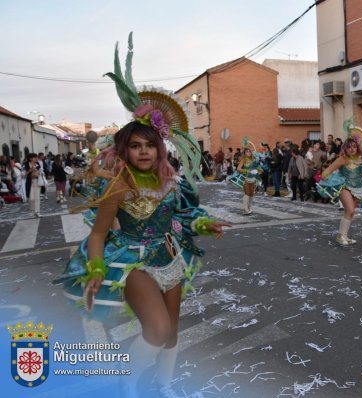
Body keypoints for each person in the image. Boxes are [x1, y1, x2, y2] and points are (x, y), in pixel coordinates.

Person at [53, 33, 231, 398]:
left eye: (150, 144)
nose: (144, 151)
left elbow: (184, 215)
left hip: (172, 261)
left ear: (160, 147)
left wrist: (202, 223)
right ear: (126, 150)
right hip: (135, 264)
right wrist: (97, 269)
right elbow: (100, 234)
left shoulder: (171, 182)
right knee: (157, 331)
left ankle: (164, 386)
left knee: (172, 335)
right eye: (136, 146)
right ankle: (129, 382)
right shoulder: (118, 186)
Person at [319, 137, 362, 246]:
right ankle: (340, 236)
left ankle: (343, 235)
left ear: (357, 147)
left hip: (357, 188)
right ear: (345, 148)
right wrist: (324, 177)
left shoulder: (361, 159)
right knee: (350, 210)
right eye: (348, 147)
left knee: (349, 213)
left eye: (354, 146)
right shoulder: (342, 159)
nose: (351, 149)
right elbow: (329, 170)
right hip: (344, 186)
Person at [237, 147, 261, 214]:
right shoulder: (243, 159)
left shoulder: (253, 160)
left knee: (251, 194)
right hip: (246, 178)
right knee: (247, 193)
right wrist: (246, 171)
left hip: (253, 179)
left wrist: (259, 170)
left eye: (249, 151)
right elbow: (238, 169)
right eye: (247, 151)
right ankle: (245, 209)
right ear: (244, 153)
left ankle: (249, 207)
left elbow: (258, 168)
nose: (248, 152)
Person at [23, 153, 42, 217]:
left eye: (36, 157)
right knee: (31, 198)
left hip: (37, 181)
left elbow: (41, 172)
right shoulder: (26, 165)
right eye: (35, 157)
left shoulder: (38, 164)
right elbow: (23, 174)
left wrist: (38, 172)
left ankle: (37, 212)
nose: (36, 158)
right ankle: (32, 210)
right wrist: (30, 170)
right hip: (30, 182)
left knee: (37, 197)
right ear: (30, 158)